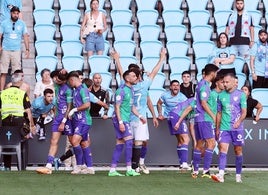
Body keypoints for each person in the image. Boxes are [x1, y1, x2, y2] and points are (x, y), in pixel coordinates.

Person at [112, 49, 165, 174]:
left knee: (137, 142)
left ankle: (137, 165)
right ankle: (133, 167)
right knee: (136, 142)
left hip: (135, 117)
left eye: (135, 74)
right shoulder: (139, 84)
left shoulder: (131, 84)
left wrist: (117, 59)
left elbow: (148, 100)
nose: (134, 76)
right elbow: (154, 73)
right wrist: (162, 58)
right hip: (132, 117)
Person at [108, 69, 146, 177]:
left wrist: (139, 116)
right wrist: (120, 122)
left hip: (125, 119)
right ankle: (129, 169)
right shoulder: (121, 90)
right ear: (127, 78)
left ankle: (112, 170)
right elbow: (117, 107)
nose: (136, 78)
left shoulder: (131, 90)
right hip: (121, 119)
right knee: (129, 142)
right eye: (134, 76)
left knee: (120, 144)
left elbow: (131, 106)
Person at [211, 73, 247, 183]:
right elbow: (219, 113)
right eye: (223, 82)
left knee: (238, 151)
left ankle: (238, 175)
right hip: (224, 127)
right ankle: (221, 175)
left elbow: (244, 112)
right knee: (222, 150)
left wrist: (239, 121)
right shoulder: (220, 95)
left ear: (233, 82)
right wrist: (217, 128)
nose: (225, 84)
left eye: (227, 82)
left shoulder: (241, 95)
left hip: (237, 129)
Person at [36, 70, 73, 175]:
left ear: (65, 80)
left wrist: (64, 121)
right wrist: (60, 70)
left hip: (67, 119)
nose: (56, 80)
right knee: (53, 141)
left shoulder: (68, 90)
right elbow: (53, 74)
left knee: (74, 143)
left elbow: (69, 107)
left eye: (60, 79)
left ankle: (72, 163)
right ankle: (48, 165)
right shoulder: (56, 86)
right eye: (57, 78)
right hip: (57, 118)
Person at [0, 72, 36, 170]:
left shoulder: (2, 93)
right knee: (24, 140)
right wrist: (32, 126)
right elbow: (28, 111)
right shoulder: (22, 93)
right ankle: (22, 166)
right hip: (19, 123)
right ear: (19, 82)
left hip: (5, 123)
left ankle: (7, 166)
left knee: (7, 142)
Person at [191, 64, 219, 179]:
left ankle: (195, 170)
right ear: (212, 73)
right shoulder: (205, 86)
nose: (216, 75)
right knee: (211, 143)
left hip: (198, 118)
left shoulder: (200, 84)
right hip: (204, 118)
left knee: (199, 144)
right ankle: (206, 170)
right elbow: (203, 103)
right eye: (216, 73)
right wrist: (213, 115)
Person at [157, 80, 191, 170]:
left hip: (176, 118)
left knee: (180, 140)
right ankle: (184, 163)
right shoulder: (165, 95)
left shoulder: (182, 97)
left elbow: (186, 109)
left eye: (177, 85)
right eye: (174, 85)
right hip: (174, 118)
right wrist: (160, 114)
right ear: (170, 87)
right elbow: (159, 103)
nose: (176, 87)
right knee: (186, 139)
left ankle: (181, 163)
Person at [67, 71, 95, 174]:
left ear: (72, 80)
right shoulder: (76, 90)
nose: (69, 84)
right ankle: (90, 168)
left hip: (84, 120)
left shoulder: (83, 89)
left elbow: (87, 104)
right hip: (78, 120)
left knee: (74, 141)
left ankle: (78, 166)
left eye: (69, 82)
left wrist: (74, 110)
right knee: (83, 143)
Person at [0, 6, 29, 91]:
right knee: (3, 72)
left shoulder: (22, 24)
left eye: (17, 13)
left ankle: (15, 90)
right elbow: (0, 35)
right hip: (6, 50)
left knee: (16, 73)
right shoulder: (4, 23)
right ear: (11, 13)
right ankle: (1, 91)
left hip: (16, 50)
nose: (16, 15)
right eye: (14, 13)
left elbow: (25, 36)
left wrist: (27, 49)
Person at [180, 71, 197, 159]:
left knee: (191, 126)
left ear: (190, 78)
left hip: (192, 110)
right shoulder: (179, 87)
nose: (186, 78)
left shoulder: (194, 87)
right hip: (182, 110)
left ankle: (195, 143)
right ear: (182, 78)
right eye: (184, 76)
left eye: (187, 76)